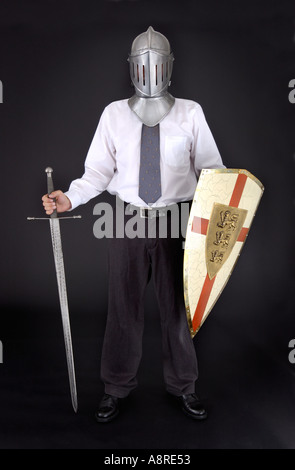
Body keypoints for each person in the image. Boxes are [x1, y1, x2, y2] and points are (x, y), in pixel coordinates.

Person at [42, 27, 225, 422]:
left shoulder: (190, 113)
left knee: (178, 309)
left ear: (169, 67)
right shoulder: (113, 115)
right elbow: (97, 172)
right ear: (133, 69)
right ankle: (116, 387)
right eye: (143, 66)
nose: (151, 71)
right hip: (125, 219)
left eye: (158, 64)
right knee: (123, 309)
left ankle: (184, 386)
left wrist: (224, 209)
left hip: (178, 222)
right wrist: (69, 197)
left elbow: (213, 173)